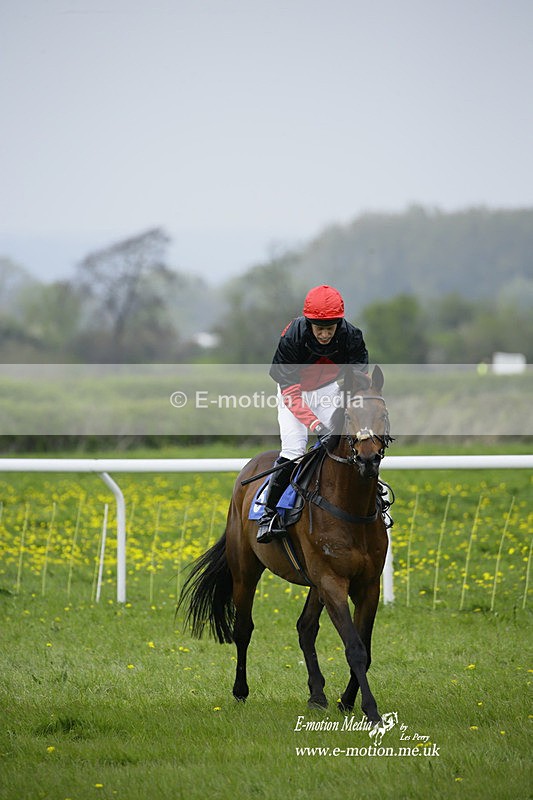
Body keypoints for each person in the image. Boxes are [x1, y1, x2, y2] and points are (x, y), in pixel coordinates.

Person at [257, 284, 369, 543]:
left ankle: (368, 502)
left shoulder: (352, 336)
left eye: (330, 328)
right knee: (295, 451)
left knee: (349, 443)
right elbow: (291, 394)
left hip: (327, 389)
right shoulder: (292, 337)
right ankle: (269, 515)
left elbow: (359, 381)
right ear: (308, 323)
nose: (325, 334)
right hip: (293, 392)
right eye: (319, 328)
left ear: (339, 323)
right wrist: (316, 424)